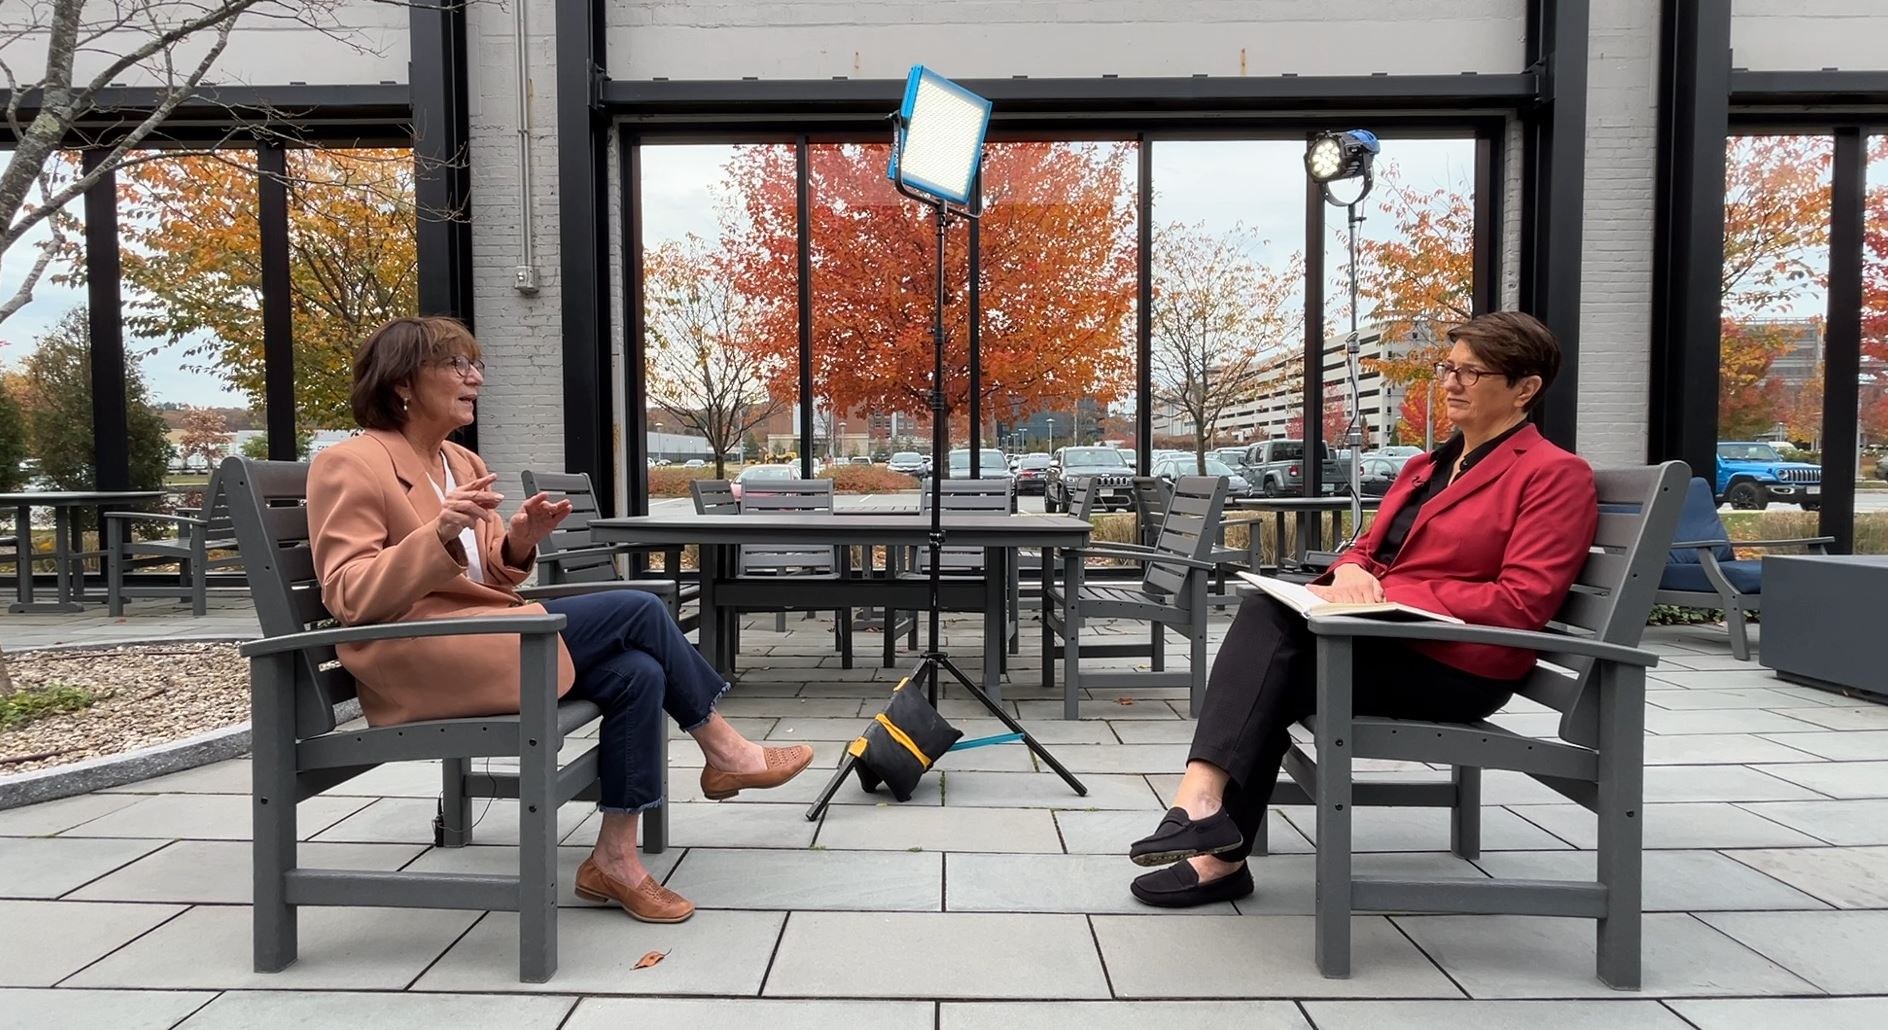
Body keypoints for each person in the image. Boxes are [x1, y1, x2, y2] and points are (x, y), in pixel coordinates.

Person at [308, 315, 813, 925]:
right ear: (402, 384)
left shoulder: (461, 464)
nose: (475, 378)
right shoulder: (350, 464)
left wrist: (518, 542)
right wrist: (437, 531)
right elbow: (349, 595)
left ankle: (615, 861)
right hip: (417, 657)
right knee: (639, 606)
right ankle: (726, 750)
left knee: (636, 672)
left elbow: (487, 582)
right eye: (457, 366)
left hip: (480, 637)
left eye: (477, 366)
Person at [1127, 311, 1598, 908]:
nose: (1450, 382)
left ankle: (1211, 834)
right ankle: (1207, 821)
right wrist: (1351, 570)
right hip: (1385, 642)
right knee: (1270, 623)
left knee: (1275, 652)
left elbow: (1522, 602)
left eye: (1472, 372)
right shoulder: (1423, 467)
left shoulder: (1553, 475)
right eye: (1447, 367)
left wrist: (1388, 595)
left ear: (1525, 388)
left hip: (1460, 667)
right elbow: (1369, 549)